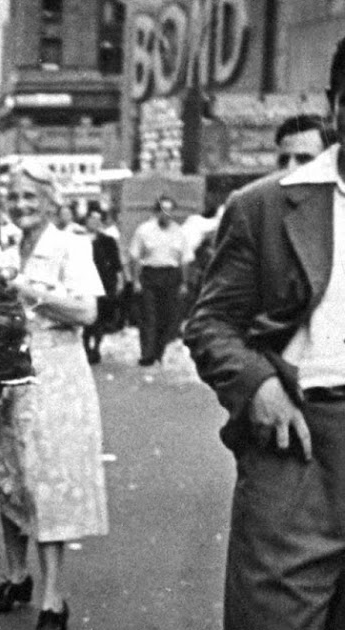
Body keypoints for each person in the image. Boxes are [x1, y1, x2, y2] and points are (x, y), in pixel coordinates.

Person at [183, 36, 345, 630]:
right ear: (335, 105)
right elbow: (210, 323)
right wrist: (257, 387)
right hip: (298, 442)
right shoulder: (264, 207)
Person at [0, 162, 108, 630]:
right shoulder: (8, 249)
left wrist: (24, 291)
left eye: (30, 198)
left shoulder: (71, 246)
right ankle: (16, 576)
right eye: (13, 198)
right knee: (11, 476)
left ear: (51, 202)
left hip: (56, 377)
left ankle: (55, 596)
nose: (20, 206)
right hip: (11, 375)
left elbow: (87, 311)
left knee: (48, 482)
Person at [127, 195, 191, 366]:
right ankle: (147, 354)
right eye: (163, 211)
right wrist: (136, 281)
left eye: (170, 211)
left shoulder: (179, 232)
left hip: (171, 276)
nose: (167, 215)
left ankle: (159, 352)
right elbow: (134, 256)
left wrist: (184, 283)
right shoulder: (144, 230)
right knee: (149, 316)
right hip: (150, 275)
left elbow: (185, 260)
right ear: (156, 212)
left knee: (168, 317)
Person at [81, 208, 124, 364]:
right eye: (92, 219)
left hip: (103, 283)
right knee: (86, 318)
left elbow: (116, 263)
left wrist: (119, 281)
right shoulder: (77, 239)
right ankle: (85, 347)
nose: (94, 222)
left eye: (98, 219)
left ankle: (96, 347)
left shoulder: (108, 240)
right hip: (82, 283)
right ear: (86, 220)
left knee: (100, 318)